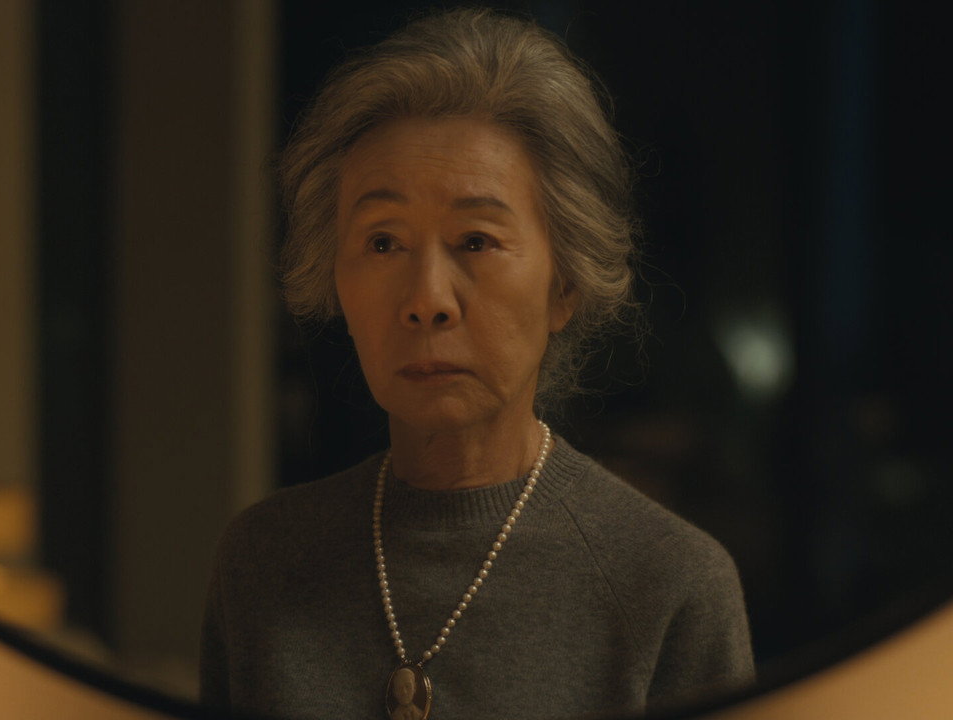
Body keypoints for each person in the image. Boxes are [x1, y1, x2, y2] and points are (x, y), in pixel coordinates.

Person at [200, 8, 754, 719]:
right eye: (383, 243)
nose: (427, 300)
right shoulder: (264, 561)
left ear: (564, 285)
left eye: (476, 241)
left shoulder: (669, 585)